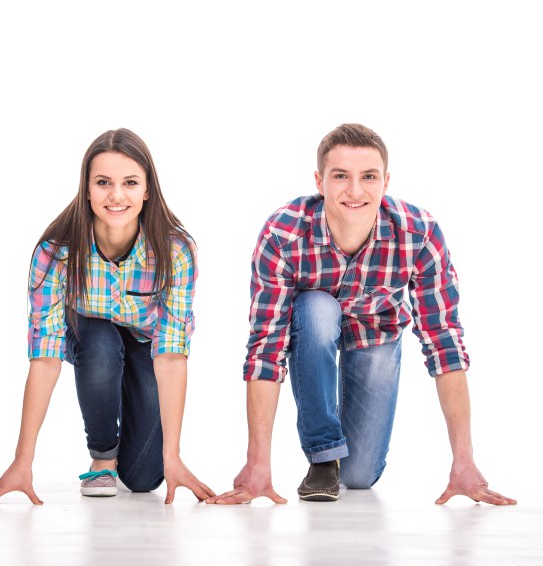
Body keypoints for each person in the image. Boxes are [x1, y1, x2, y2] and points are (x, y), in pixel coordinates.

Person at [208, 123, 516, 505]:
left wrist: (464, 461)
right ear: (319, 182)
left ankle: (342, 463)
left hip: (377, 331)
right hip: (313, 326)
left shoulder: (419, 234)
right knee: (318, 309)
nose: (355, 191)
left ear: (386, 182)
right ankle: (323, 456)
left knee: (358, 476)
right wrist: (258, 463)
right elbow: (266, 348)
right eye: (341, 176)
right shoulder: (283, 235)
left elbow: (444, 341)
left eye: (368, 177)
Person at [0, 128, 213, 504]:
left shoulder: (176, 251)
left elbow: (172, 355)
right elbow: (45, 358)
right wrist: (22, 461)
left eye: (130, 183)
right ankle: (103, 457)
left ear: (147, 190)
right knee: (102, 346)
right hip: (90, 339)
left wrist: (173, 456)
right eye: (103, 182)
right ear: (87, 189)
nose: (116, 195)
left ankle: (129, 414)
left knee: (143, 478)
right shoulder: (56, 251)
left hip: (145, 346)